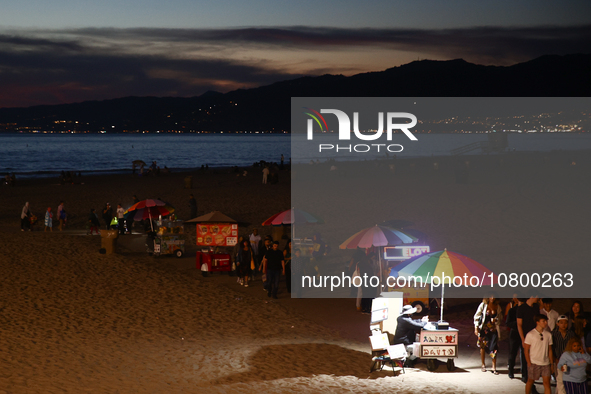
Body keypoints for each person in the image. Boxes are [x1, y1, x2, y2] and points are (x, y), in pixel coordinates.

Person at [524, 314, 554, 394]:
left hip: (545, 363)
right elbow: (526, 350)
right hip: (534, 362)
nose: (545, 323)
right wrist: (529, 362)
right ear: (537, 322)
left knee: (547, 383)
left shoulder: (548, 334)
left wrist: (551, 363)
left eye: (546, 321)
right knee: (530, 381)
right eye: (543, 321)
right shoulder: (530, 334)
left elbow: (550, 350)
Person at [474, 297, 503, 374]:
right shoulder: (483, 305)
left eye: (494, 296)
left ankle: (493, 366)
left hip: (493, 330)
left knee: (494, 347)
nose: (492, 298)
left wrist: (495, 320)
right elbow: (477, 316)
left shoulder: (497, 306)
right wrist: (476, 327)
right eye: (490, 296)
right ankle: (483, 364)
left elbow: (500, 319)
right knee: (483, 346)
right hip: (484, 329)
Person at [518, 296, 540, 386]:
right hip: (526, 335)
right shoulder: (521, 308)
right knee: (525, 356)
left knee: (534, 356)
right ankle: (526, 376)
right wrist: (523, 339)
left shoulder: (535, 307)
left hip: (535, 336)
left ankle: (532, 377)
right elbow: (519, 324)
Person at [553, 315, 574, 394]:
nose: (564, 325)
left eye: (565, 323)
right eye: (561, 323)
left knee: (567, 379)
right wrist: (555, 359)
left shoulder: (571, 334)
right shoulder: (554, 334)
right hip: (558, 359)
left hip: (568, 360)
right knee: (559, 379)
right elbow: (551, 348)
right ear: (557, 324)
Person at [506, 297, 524, 379]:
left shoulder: (526, 311)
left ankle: (524, 372)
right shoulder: (512, 310)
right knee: (512, 353)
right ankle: (511, 370)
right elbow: (508, 323)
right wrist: (517, 323)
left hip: (524, 334)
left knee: (524, 354)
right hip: (514, 334)